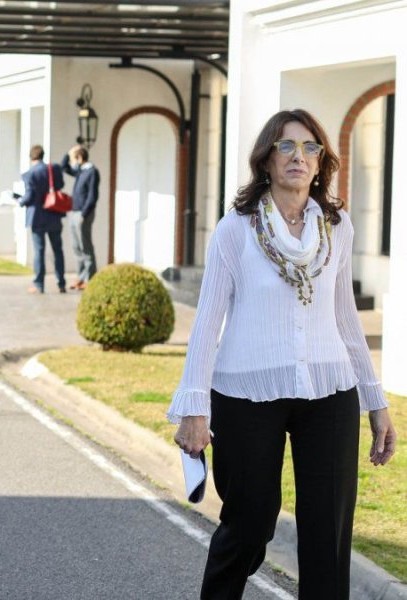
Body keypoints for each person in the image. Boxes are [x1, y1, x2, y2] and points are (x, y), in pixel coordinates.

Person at [168, 109, 396, 599]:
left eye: (309, 148)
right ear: (266, 161)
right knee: (250, 523)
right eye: (285, 147)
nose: (298, 157)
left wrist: (375, 402)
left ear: (321, 163)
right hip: (246, 391)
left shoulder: (337, 227)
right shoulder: (237, 229)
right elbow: (207, 321)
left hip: (328, 390)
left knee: (327, 531)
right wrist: (192, 407)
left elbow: (345, 319)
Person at [18, 144, 67, 294]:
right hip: (53, 214)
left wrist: (19, 201)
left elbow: (29, 196)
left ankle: (39, 284)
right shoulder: (54, 169)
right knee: (57, 250)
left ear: (31, 157)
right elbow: (61, 185)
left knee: (39, 251)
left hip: (37, 217)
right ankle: (61, 282)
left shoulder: (30, 174)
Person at [60, 145, 100, 290]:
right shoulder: (80, 171)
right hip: (73, 212)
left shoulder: (92, 172)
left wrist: (84, 214)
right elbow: (64, 167)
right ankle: (81, 276)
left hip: (84, 214)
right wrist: (69, 152)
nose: (73, 162)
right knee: (76, 246)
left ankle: (90, 277)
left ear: (80, 158)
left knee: (85, 246)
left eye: (74, 159)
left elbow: (92, 195)